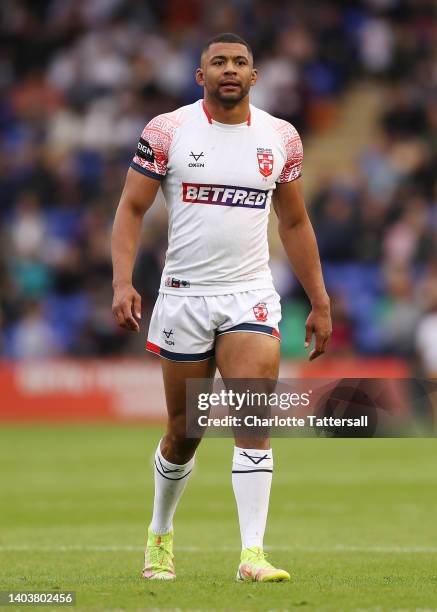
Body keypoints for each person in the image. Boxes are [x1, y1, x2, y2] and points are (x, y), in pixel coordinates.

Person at [111, 32, 332, 583]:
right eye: (218, 62)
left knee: (253, 418)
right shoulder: (167, 131)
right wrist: (121, 281)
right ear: (200, 75)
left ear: (255, 77)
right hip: (184, 295)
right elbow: (131, 208)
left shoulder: (280, 137)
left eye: (239, 62)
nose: (229, 69)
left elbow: (295, 222)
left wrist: (320, 300)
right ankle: (160, 534)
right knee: (185, 430)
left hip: (249, 294)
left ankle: (252, 554)